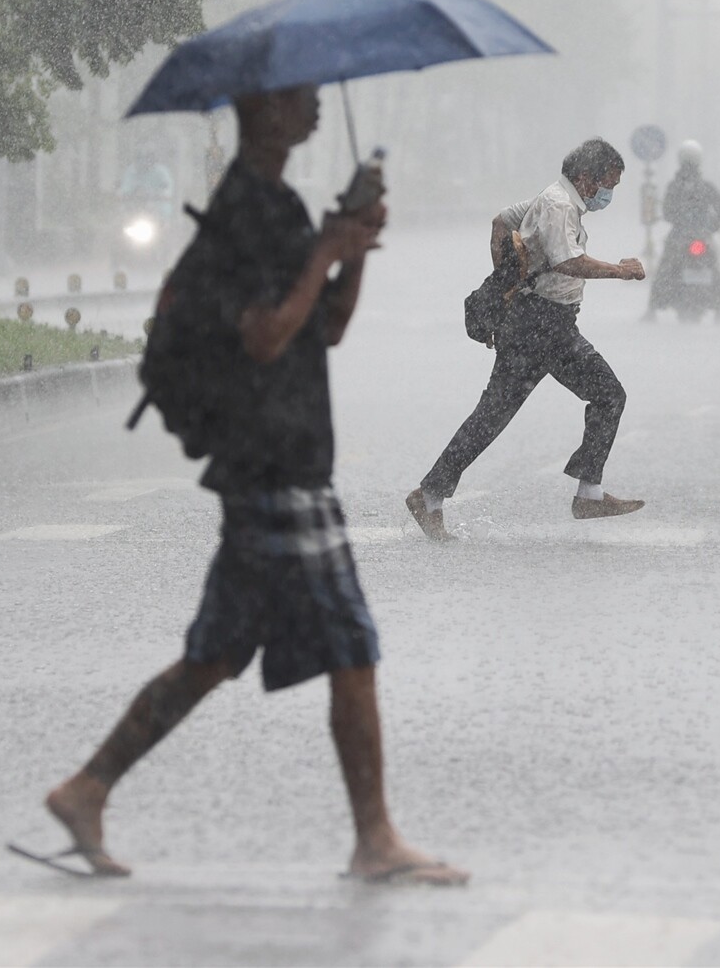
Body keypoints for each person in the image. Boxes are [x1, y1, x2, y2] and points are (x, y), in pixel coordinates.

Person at [42, 85, 467, 886]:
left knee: (217, 654)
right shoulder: (244, 211)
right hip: (270, 462)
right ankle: (374, 839)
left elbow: (325, 325)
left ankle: (86, 788)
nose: (312, 109)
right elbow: (266, 336)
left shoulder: (281, 204)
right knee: (351, 644)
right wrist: (324, 253)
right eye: (298, 98)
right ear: (264, 112)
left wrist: (353, 247)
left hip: (285, 455)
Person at [407, 139, 646, 541]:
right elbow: (568, 261)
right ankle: (588, 494)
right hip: (543, 325)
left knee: (492, 416)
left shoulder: (553, 198)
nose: (608, 195)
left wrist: (510, 282)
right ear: (586, 178)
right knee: (608, 395)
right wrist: (620, 271)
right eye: (608, 185)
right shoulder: (558, 205)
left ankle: (430, 494)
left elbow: (501, 221)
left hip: (536, 322)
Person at [649, 140, 720, 318]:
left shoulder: (674, 186)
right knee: (714, 267)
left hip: (679, 235)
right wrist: (711, 228)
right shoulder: (706, 186)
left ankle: (652, 309)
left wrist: (682, 221)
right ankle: (719, 311)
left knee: (665, 268)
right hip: (703, 235)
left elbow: (668, 213)